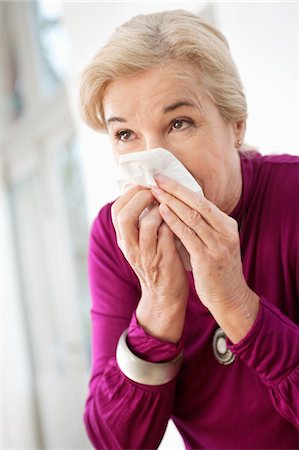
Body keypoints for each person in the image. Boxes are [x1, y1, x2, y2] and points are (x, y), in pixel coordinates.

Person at [79, 9, 299, 450]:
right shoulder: (116, 236)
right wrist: (159, 304)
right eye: (126, 135)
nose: (155, 162)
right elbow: (115, 441)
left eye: (179, 123)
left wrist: (235, 302)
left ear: (236, 124)